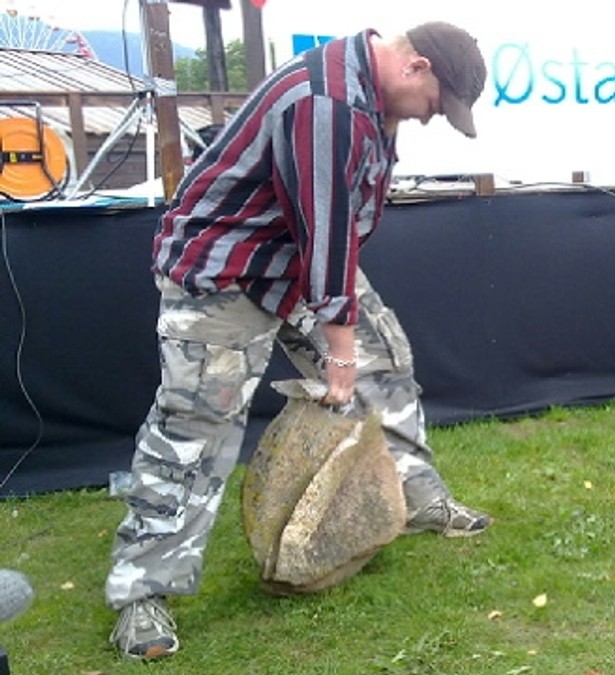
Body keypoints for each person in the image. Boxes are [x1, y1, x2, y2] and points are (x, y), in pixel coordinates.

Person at [104, 21, 492, 660]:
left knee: (382, 361)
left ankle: (411, 495)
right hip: (225, 270)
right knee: (195, 425)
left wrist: (349, 342)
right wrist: (337, 348)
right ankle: (141, 592)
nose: (429, 120)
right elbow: (326, 227)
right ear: (415, 66)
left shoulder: (373, 97)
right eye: (435, 106)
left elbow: (337, 227)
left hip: (297, 263)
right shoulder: (328, 102)